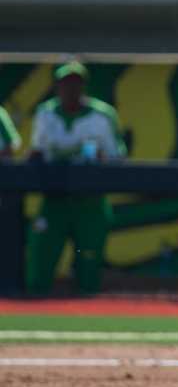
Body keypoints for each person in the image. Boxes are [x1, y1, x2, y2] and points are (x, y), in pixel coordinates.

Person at [26, 61, 127, 296]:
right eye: (65, 83)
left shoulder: (102, 115)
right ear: (57, 86)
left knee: (89, 267)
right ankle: (35, 310)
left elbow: (116, 157)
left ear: (84, 85)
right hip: (54, 199)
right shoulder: (45, 113)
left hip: (90, 201)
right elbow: (36, 152)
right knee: (41, 260)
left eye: (75, 83)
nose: (70, 88)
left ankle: (86, 311)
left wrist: (100, 159)